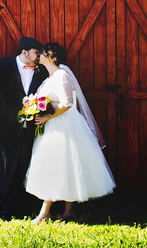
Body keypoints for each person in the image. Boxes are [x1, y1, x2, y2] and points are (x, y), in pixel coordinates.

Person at [25, 42, 116, 223]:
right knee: (65, 167)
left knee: (60, 165)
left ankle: (45, 212)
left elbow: (67, 104)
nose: (38, 56)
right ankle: (68, 211)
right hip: (53, 127)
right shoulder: (49, 78)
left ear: (50, 57)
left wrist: (46, 117)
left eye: (42, 53)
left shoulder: (62, 75)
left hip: (65, 127)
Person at [0, 36, 48, 220]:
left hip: (30, 130)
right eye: (36, 53)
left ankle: (22, 210)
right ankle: (5, 211)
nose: (38, 56)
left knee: (24, 170)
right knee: (6, 171)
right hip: (5, 128)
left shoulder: (41, 71)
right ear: (24, 52)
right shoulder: (1, 65)